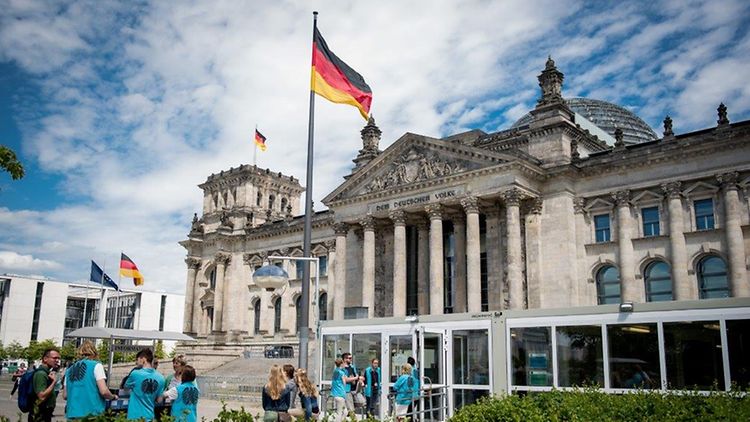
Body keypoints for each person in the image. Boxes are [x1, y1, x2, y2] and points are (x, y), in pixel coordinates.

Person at [62, 340, 117, 419]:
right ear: (94, 353)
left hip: (72, 414)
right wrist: (113, 397)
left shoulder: (69, 370)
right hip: (91, 414)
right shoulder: (96, 366)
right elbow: (104, 391)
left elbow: (65, 395)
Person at [125, 348, 165, 421]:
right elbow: (159, 400)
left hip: (134, 417)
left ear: (143, 359)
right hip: (149, 416)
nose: (136, 363)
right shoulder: (161, 378)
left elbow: (126, 387)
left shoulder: (135, 374)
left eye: (137, 360)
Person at [29, 348, 61, 422]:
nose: (57, 360)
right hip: (40, 413)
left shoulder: (46, 373)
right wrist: (54, 382)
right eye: (54, 358)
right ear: (45, 359)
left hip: (44, 412)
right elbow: (41, 396)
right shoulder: (41, 374)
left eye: (58, 358)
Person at [330, 358, 357, 422]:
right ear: (341, 363)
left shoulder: (335, 371)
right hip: (340, 394)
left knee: (345, 412)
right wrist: (355, 378)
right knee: (339, 412)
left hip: (335, 394)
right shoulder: (341, 372)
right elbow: (344, 382)